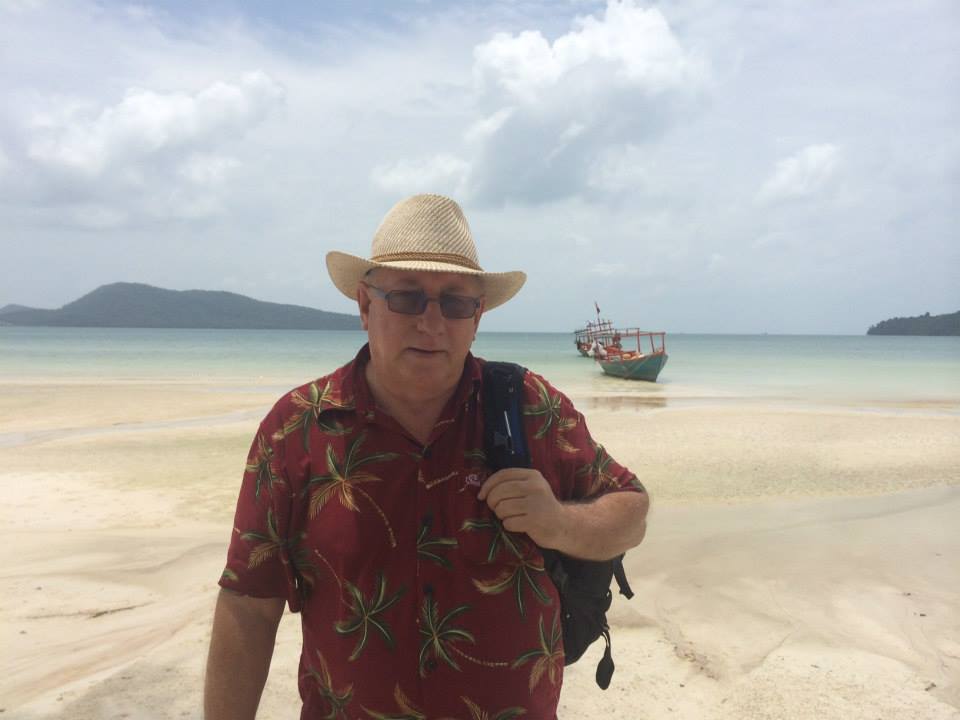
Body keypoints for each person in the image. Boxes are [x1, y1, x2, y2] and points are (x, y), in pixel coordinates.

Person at [204, 194, 649, 720]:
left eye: (456, 302)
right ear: (365, 307)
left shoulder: (529, 407)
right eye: (408, 298)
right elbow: (250, 605)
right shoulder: (298, 427)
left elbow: (631, 511)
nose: (432, 322)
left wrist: (558, 523)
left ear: (477, 317)